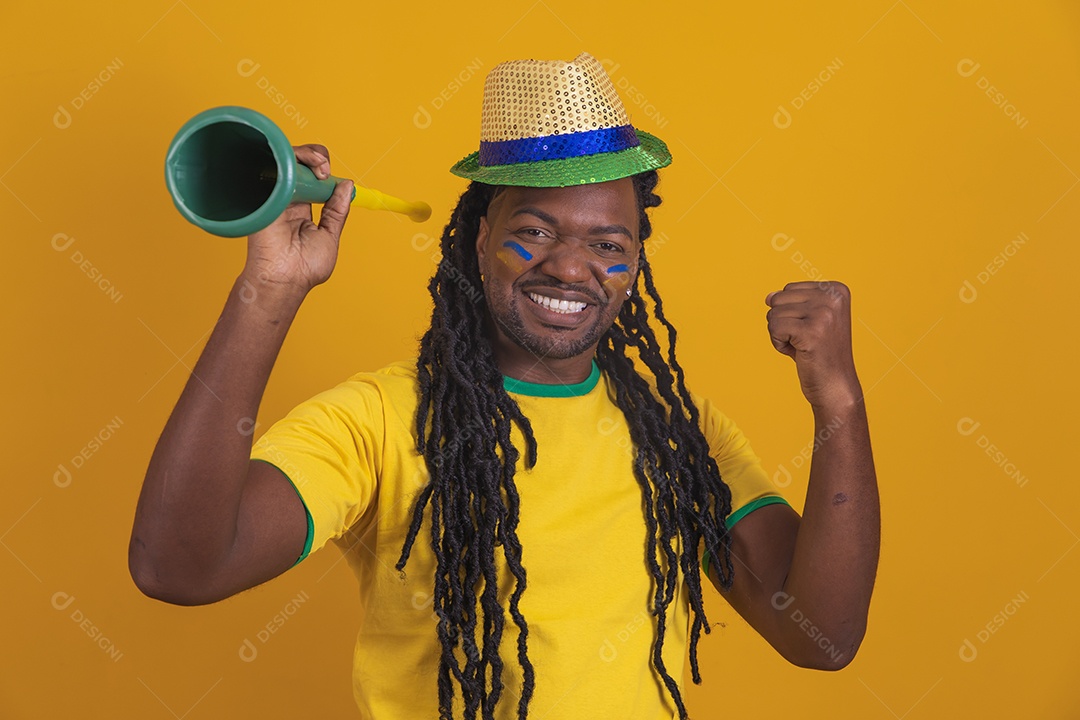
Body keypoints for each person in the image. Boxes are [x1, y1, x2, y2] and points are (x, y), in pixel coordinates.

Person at [129, 52, 879, 720]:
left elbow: (822, 636)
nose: (569, 266)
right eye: (537, 230)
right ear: (481, 234)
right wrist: (268, 291)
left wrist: (838, 400)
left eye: (607, 244)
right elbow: (179, 567)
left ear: (636, 265)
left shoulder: (682, 435)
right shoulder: (379, 420)